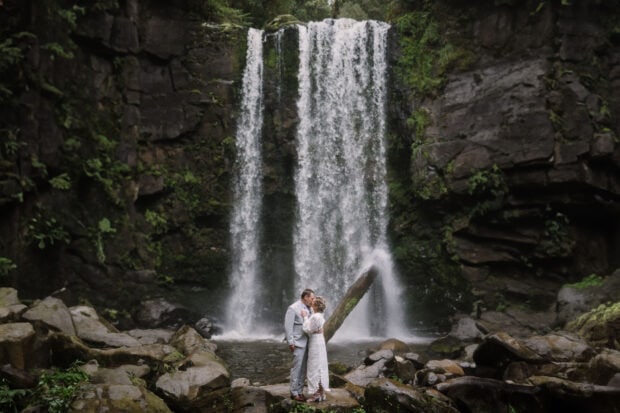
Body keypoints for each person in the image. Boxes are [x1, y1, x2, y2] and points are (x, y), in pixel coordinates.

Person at [284, 288, 315, 401]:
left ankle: (300, 391)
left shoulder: (311, 308)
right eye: (312, 298)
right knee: (296, 368)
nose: (313, 300)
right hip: (298, 343)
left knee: (304, 368)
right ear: (305, 297)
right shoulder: (293, 308)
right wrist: (291, 342)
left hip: (309, 342)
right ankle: (293, 392)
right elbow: (288, 327)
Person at [302, 296, 329, 402]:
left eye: (313, 302)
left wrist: (305, 317)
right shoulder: (320, 315)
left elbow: (307, 329)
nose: (311, 302)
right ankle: (321, 393)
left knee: (314, 366)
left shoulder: (315, 317)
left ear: (316, 306)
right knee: (320, 365)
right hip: (320, 341)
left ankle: (316, 394)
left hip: (315, 343)